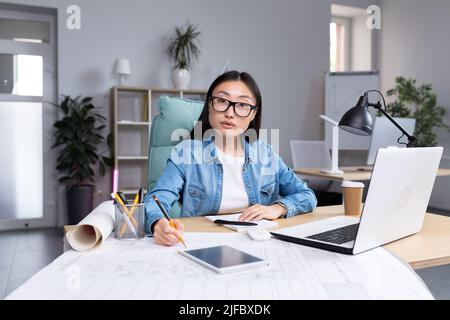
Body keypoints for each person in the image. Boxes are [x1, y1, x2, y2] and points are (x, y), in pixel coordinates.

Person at [144, 71, 317, 246]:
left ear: (253, 114)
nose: (230, 113)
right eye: (222, 101)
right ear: (209, 105)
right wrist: (158, 224)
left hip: (260, 243)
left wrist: (278, 208)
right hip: (203, 243)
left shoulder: (266, 154)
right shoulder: (186, 153)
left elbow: (307, 195)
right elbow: (158, 199)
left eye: (242, 104)